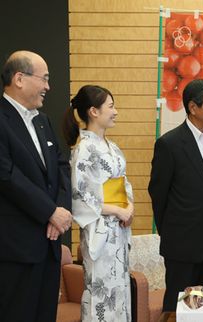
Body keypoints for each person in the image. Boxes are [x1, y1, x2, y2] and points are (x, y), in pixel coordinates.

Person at [0, 50, 72, 322]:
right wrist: (49, 211)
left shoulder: (43, 122)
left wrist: (61, 211)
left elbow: (61, 168)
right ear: (19, 78)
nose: (48, 87)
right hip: (16, 249)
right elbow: (6, 175)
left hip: (49, 246)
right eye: (44, 79)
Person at [148, 79, 203, 311]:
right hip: (181, 243)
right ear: (193, 108)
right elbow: (158, 194)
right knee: (178, 308)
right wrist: (171, 232)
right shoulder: (169, 144)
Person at [62, 85, 134, 321]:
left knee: (120, 292)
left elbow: (124, 185)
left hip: (119, 230)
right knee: (101, 295)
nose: (115, 112)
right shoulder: (83, 149)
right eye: (111, 106)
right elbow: (80, 197)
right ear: (93, 111)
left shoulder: (112, 148)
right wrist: (116, 210)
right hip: (100, 231)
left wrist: (129, 207)